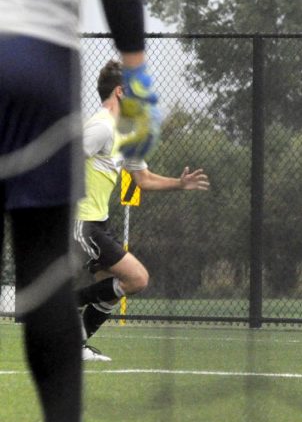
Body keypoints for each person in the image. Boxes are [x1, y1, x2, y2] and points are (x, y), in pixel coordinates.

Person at [0, 0, 158, 422]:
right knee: (43, 273)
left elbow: (134, 172)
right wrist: (137, 69)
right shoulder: (98, 125)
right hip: (41, 63)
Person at [75, 60, 210, 362]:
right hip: (80, 222)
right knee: (138, 278)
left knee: (109, 290)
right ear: (121, 92)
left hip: (99, 223)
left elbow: (143, 179)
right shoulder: (101, 126)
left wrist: (179, 183)